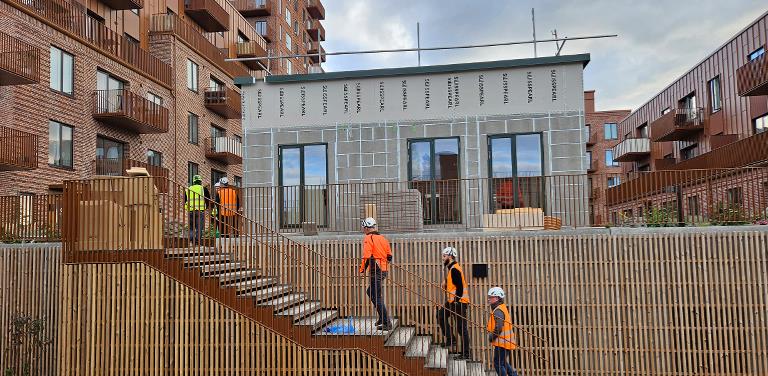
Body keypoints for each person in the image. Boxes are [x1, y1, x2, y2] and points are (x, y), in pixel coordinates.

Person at [358, 217, 393, 331]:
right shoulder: (383, 238)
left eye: (363, 227)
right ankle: (382, 318)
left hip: (376, 270)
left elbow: (366, 256)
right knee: (371, 292)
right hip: (383, 270)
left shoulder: (369, 238)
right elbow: (389, 256)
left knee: (376, 296)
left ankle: (387, 323)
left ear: (367, 228)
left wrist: (362, 270)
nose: (363, 229)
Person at [437, 246, 471, 359]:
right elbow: (455, 283)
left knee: (461, 328)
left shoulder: (454, 269)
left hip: (458, 303)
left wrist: (456, 301)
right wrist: (446, 281)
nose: (443, 258)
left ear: (450, 256)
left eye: (444, 256)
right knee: (441, 315)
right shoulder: (452, 269)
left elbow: (460, 287)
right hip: (452, 301)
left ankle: (466, 354)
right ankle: (450, 339)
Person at [486, 287, 518, 376]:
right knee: (502, 362)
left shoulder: (498, 311)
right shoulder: (501, 308)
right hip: (505, 341)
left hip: (502, 342)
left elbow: (499, 327)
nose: (489, 299)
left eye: (491, 297)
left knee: (498, 364)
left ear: (497, 298)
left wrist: (491, 337)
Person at [184, 175, 210, 245]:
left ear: (193, 181)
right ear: (200, 181)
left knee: (191, 227)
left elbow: (185, 200)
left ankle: (192, 240)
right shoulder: (203, 189)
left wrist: (187, 208)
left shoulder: (188, 189)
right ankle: (197, 242)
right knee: (199, 227)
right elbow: (208, 199)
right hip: (200, 211)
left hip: (191, 211)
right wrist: (206, 207)